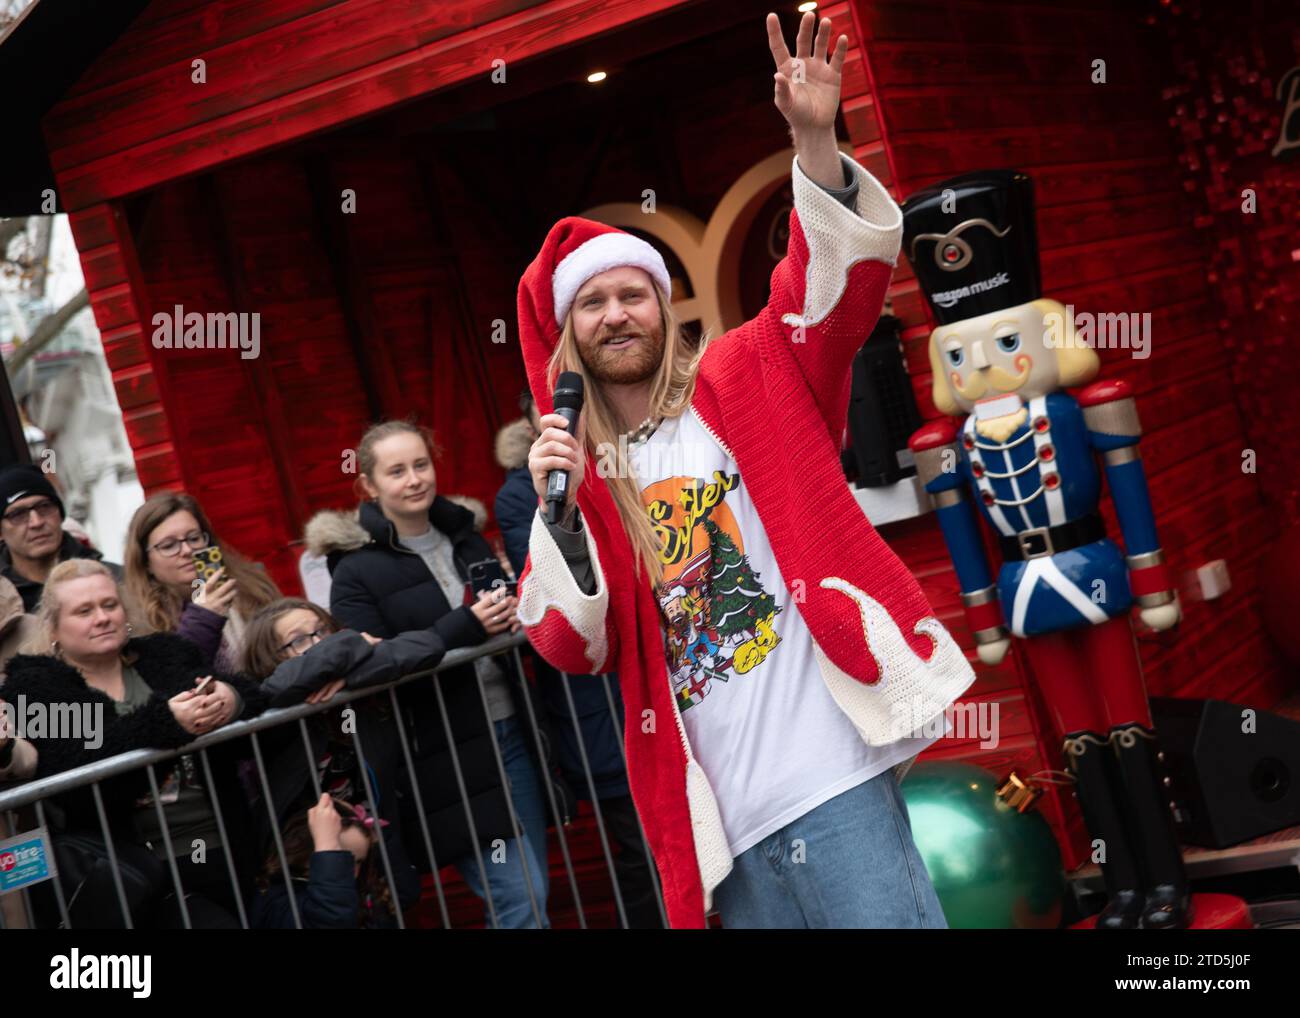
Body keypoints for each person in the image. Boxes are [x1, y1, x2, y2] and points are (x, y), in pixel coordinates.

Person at [514, 12, 977, 929]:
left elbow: (832, 296)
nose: (615, 314)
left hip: (828, 773)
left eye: (632, 293)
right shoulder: (580, 476)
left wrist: (815, 143)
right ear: (570, 334)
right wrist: (556, 514)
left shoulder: (747, 372)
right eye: (593, 302)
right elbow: (575, 646)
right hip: (717, 822)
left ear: (664, 306)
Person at [307, 419, 571, 929]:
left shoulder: (465, 538)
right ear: (369, 485)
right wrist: (466, 626)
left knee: (532, 890)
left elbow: (504, 614)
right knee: (522, 897)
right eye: (397, 471)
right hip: (442, 752)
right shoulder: (355, 570)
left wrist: (514, 614)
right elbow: (368, 663)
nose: (414, 479)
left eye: (421, 464)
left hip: (511, 731)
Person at [2, 559, 267, 927]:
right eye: (84, 611)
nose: (102, 617)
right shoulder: (37, 687)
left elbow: (254, 704)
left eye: (109, 605)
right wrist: (166, 722)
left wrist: (229, 699)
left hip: (219, 841)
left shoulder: (165, 653)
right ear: (54, 628)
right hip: (130, 868)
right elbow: (78, 767)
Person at [495, 396, 663, 927]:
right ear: (532, 425)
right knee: (642, 852)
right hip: (597, 708)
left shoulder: (630, 456)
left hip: (661, 683)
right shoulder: (523, 493)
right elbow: (563, 581)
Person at [239, 596, 449, 912]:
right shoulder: (271, 702)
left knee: (397, 904)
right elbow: (278, 688)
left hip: (377, 844)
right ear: (270, 657)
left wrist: (353, 676)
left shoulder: (355, 687)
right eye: (299, 640)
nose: (318, 643)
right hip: (308, 857)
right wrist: (349, 646)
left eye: (323, 631)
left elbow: (427, 646)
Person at [124, 492, 280, 671]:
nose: (187, 550)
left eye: (194, 538)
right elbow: (175, 677)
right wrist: (205, 617)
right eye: (169, 546)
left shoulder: (253, 587)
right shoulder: (138, 622)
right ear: (145, 562)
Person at [251, 794, 396, 929]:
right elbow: (331, 919)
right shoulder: (279, 898)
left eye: (358, 861)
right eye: (340, 857)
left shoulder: (355, 897)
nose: (351, 870)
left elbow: (406, 892)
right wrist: (327, 840)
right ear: (303, 848)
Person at [0, 464, 122, 613]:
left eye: (44, 507)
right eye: (18, 515)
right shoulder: (3, 601)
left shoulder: (116, 579)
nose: (36, 522)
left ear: (61, 515)